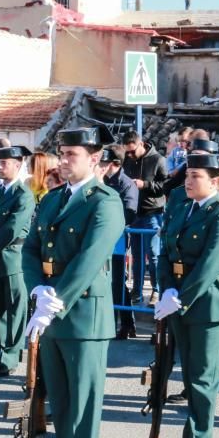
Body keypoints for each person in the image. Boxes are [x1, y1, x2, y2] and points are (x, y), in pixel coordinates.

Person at [21, 125, 124, 438]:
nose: (62, 161)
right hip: (51, 307)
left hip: (83, 316)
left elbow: (90, 258)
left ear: (94, 158)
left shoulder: (105, 201)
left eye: (71, 155)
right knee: (61, 402)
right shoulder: (51, 199)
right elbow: (30, 249)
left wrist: (55, 299)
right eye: (61, 154)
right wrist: (36, 289)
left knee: (82, 403)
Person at [154, 152, 219, 438]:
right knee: (189, 375)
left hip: (207, 304)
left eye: (196, 176)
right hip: (178, 297)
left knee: (203, 378)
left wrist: (181, 297)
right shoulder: (184, 207)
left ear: (215, 181)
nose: (188, 181)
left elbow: (211, 263)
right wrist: (166, 289)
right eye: (187, 175)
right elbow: (165, 249)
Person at [0, 145, 36, 374]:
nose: (0, 167)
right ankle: (2, 351)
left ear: (17, 165)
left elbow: (12, 229)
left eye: (4, 163)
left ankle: (11, 356)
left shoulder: (23, 194)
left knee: (16, 309)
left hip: (13, 258)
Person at [121, 130, 168, 304]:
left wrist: (145, 185)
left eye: (133, 151)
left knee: (153, 254)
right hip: (134, 213)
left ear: (141, 144)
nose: (130, 155)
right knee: (137, 255)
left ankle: (156, 290)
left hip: (152, 213)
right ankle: (137, 291)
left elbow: (166, 185)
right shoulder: (127, 159)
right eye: (128, 152)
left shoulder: (158, 160)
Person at [96, 145, 138, 339]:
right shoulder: (100, 180)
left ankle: (127, 323)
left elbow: (130, 212)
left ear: (114, 163)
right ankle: (109, 323)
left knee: (118, 283)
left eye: (104, 162)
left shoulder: (126, 183)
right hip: (101, 240)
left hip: (117, 240)